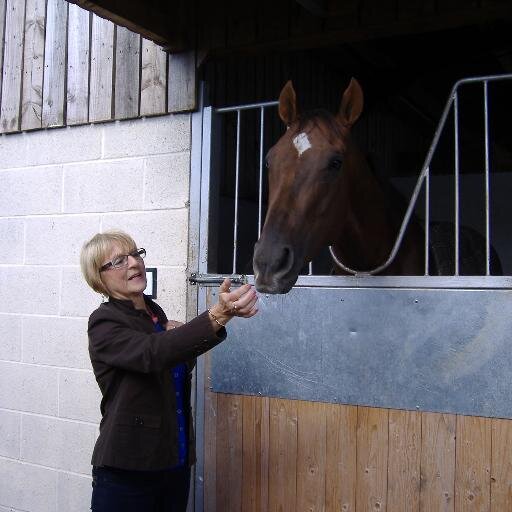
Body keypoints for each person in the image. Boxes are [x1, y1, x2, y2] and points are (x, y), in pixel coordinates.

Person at [80, 230, 258, 512]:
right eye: (118, 261)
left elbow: (170, 367)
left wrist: (179, 341)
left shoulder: (154, 313)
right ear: (98, 277)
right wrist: (218, 316)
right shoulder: (103, 322)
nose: (134, 263)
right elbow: (152, 355)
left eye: (135, 254)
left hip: (173, 461)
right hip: (129, 469)